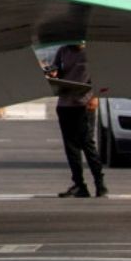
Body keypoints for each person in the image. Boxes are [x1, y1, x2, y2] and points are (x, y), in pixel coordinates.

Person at [48, 41, 107, 198]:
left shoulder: (93, 51)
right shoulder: (63, 50)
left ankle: (100, 184)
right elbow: (57, 71)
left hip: (84, 104)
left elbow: (102, 76)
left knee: (87, 143)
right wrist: (53, 73)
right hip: (65, 104)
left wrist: (95, 97)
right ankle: (79, 185)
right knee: (71, 147)